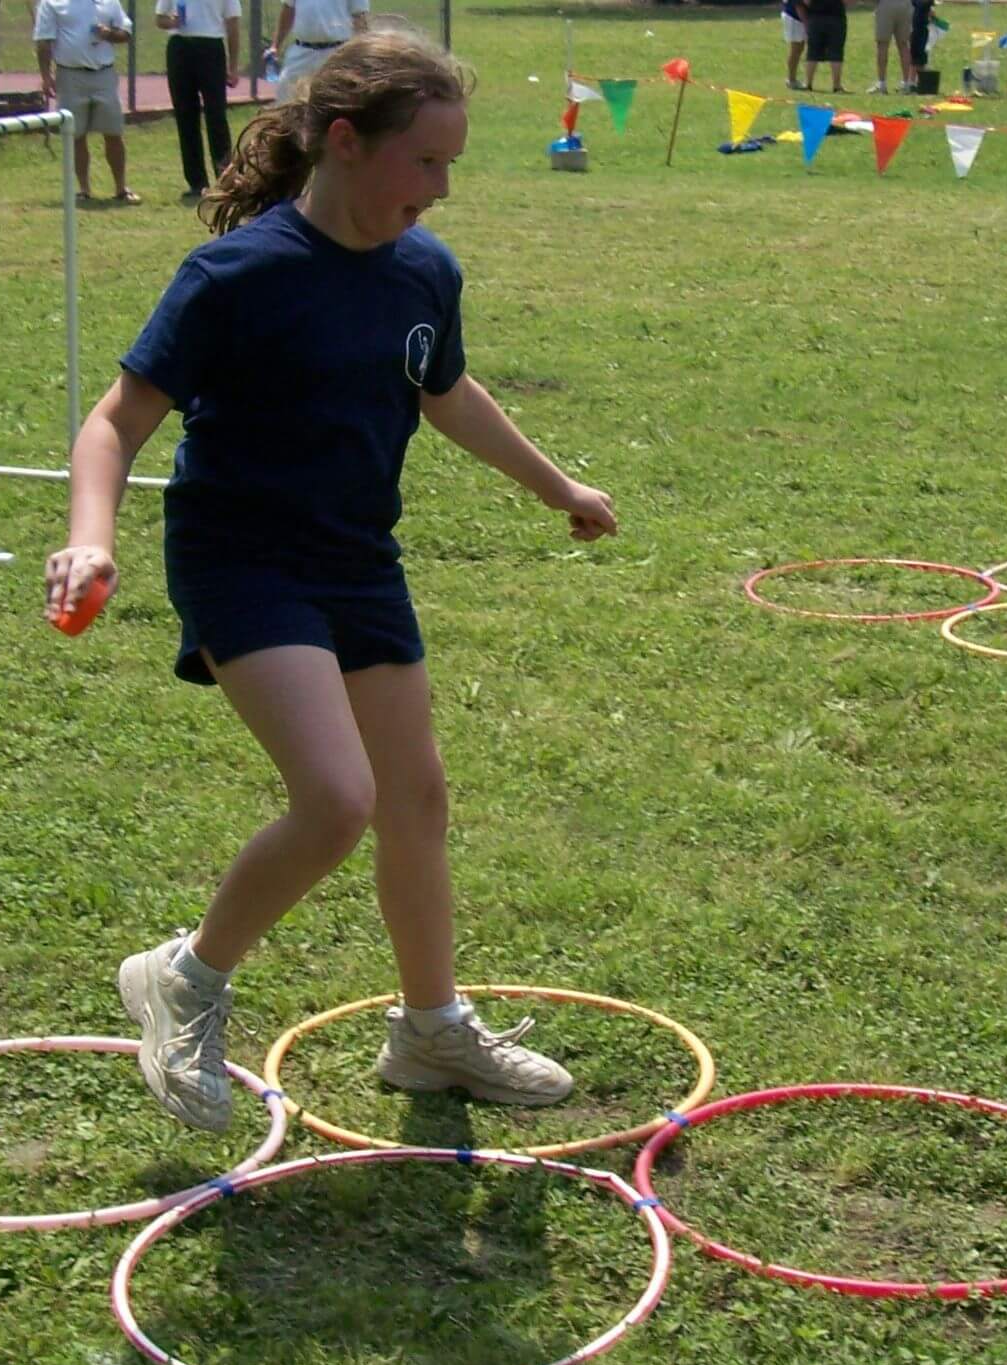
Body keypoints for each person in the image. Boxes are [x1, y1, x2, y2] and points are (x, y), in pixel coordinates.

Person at [42, 28, 618, 1134]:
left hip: (357, 555)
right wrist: (90, 536)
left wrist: (557, 486)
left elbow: (444, 393)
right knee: (338, 797)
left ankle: (429, 1031)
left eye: (452, 166)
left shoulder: (422, 271)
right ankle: (185, 976)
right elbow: (119, 417)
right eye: (427, 163)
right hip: (242, 555)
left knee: (416, 797)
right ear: (346, 143)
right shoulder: (236, 275)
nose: (441, 191)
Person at [33, 0, 141, 204]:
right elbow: (43, 41)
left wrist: (108, 34)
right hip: (70, 75)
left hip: (104, 74)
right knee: (76, 135)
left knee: (114, 133)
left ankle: (121, 189)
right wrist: (46, 76)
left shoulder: (109, 2)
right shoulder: (53, 3)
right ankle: (83, 190)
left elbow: (126, 32)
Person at [155, 0, 240, 203]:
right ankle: (196, 182)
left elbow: (233, 23)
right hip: (180, 47)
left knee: (216, 116)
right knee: (185, 117)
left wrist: (234, 65)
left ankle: (225, 179)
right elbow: (159, 19)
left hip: (211, 46)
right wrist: (172, 22)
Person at [270, 0, 370, 93]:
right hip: (301, 52)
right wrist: (275, 46)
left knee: (336, 100)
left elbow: (359, 16)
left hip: (337, 53)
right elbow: (288, 9)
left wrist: (363, 53)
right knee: (286, 97)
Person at [801, 0, 846, 94]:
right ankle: (836, 86)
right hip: (836, 17)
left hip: (816, 17)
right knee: (836, 52)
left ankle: (808, 83)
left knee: (812, 52)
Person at [870, 0, 913, 92]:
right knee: (903, 45)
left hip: (886, 4)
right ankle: (906, 83)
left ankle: (882, 83)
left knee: (882, 44)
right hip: (906, 5)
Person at [779, 0, 805, 91]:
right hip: (793, 17)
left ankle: (792, 79)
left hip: (798, 16)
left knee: (800, 48)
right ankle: (791, 79)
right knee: (795, 49)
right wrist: (806, 23)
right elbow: (798, 5)